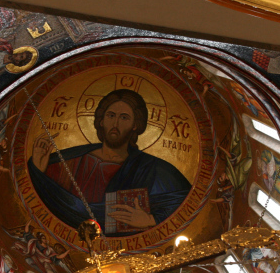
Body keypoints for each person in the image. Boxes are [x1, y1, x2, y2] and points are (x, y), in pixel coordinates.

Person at [27, 89, 192, 235]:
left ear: (135, 125)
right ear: (101, 120)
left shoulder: (152, 169)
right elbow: (45, 196)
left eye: (124, 118)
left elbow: (184, 202)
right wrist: (38, 170)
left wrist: (151, 220)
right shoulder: (69, 160)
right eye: (111, 115)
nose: (115, 123)